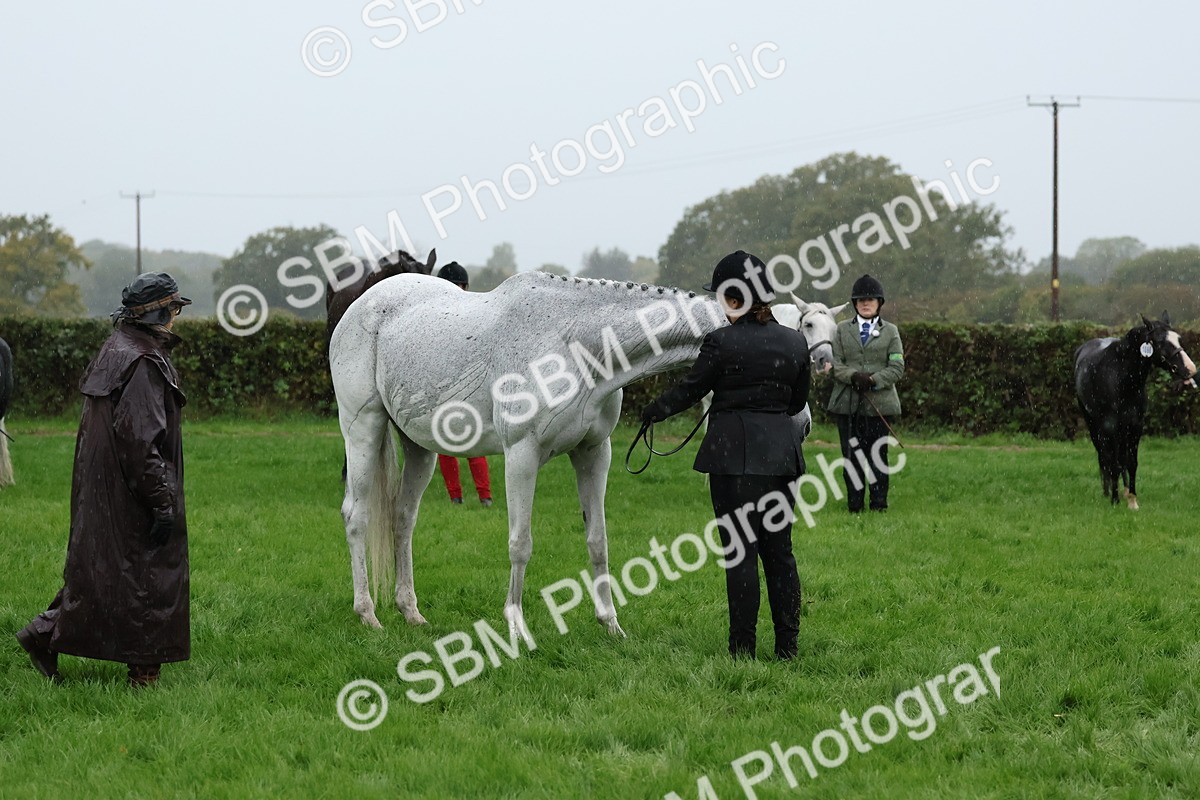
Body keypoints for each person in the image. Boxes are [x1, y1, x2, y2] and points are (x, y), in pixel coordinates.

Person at [15, 273, 191, 687]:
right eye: (176, 308)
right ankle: (144, 671)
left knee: (103, 570)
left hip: (104, 485)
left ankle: (44, 633)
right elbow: (141, 440)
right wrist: (162, 500)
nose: (178, 317)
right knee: (150, 571)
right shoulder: (144, 361)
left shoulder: (118, 347)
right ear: (161, 313)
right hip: (130, 485)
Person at [641, 250, 810, 660]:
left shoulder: (721, 341)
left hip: (732, 459)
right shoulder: (794, 341)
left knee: (741, 553)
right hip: (781, 458)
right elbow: (796, 403)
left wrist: (652, 411)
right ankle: (787, 646)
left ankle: (743, 648)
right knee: (780, 553)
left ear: (735, 297)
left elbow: (691, 390)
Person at [827, 274, 904, 513]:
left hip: (879, 406)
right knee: (851, 457)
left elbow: (897, 367)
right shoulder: (841, 330)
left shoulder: (891, 331)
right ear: (855, 304)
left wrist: (872, 380)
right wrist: (852, 377)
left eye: (870, 299)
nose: (865, 303)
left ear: (879, 302)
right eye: (860, 300)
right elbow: (836, 364)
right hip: (847, 405)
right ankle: (854, 505)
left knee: (877, 457)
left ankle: (879, 504)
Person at [435, 262, 493, 507]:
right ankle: (471, 497)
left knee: (455, 443)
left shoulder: (437, 317)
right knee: (459, 443)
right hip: (463, 384)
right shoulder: (477, 314)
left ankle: (473, 496)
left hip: (454, 384)